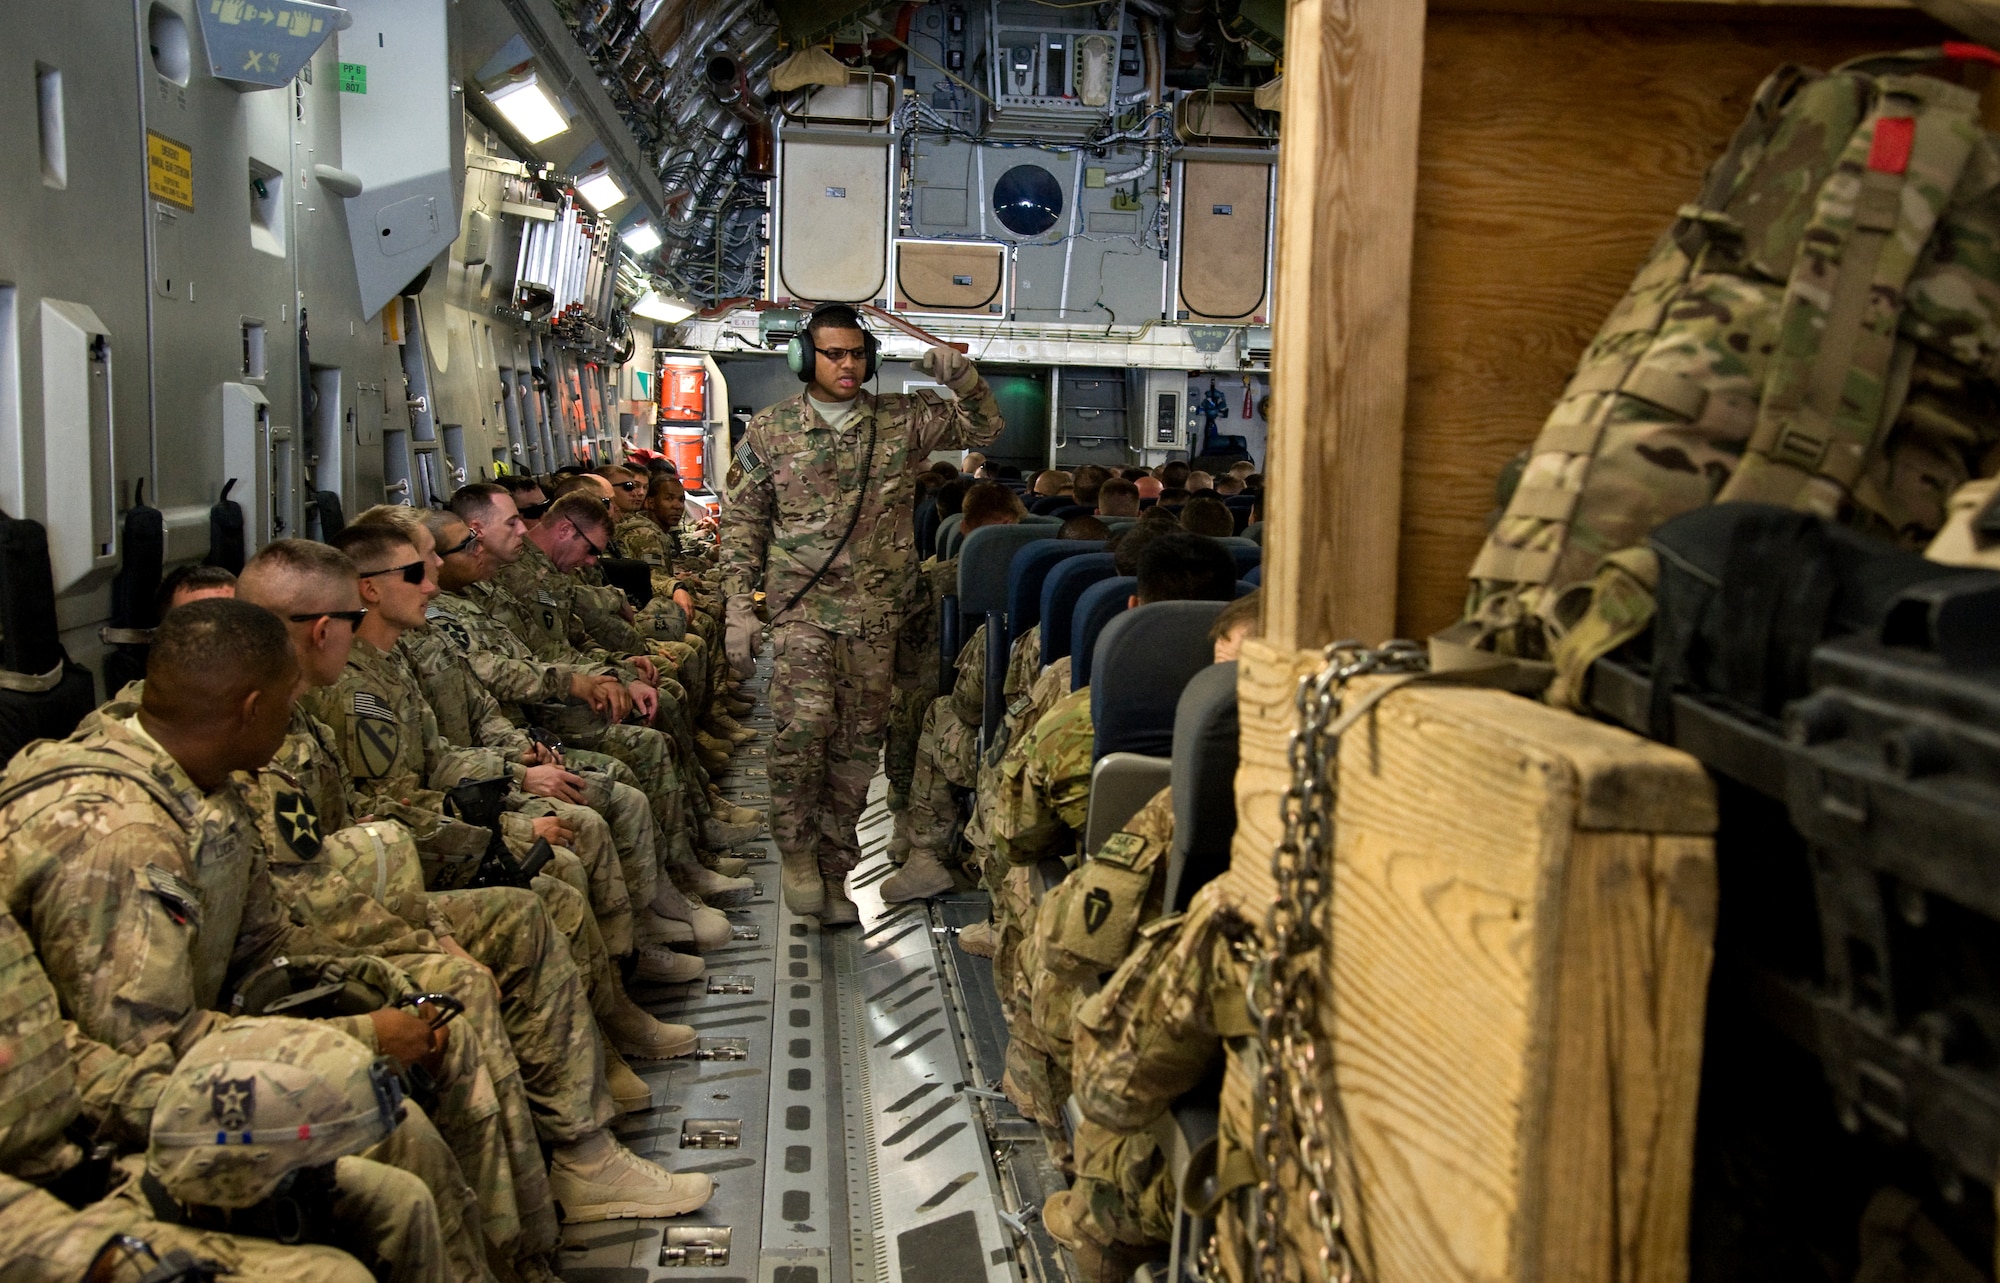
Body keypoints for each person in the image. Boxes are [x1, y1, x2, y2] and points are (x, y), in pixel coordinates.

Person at [0, 601, 498, 1282]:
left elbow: (265, 944)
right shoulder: (123, 838)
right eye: (288, 703)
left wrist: (375, 984)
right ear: (252, 708)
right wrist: (360, 1038)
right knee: (391, 1148)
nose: (295, 718)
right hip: (112, 1119)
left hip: (179, 1060)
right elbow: (140, 1049)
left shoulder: (206, 788)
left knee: (409, 1129)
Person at [718, 303, 1004, 923]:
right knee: (802, 729)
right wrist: (739, 606)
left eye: (856, 354)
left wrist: (965, 379)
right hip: (802, 611)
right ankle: (797, 853)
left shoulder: (902, 419)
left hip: (878, 617)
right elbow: (742, 523)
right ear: (804, 358)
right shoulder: (770, 430)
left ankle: (833, 872)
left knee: (855, 750)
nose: (847, 365)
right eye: (833, 354)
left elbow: (983, 431)